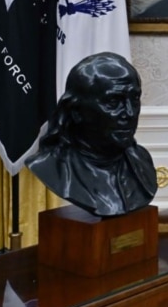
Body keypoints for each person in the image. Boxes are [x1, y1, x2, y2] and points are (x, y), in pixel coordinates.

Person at [26, 52, 157, 218]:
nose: (129, 113)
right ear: (76, 111)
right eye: (113, 102)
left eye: (134, 99)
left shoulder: (142, 161)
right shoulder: (49, 167)